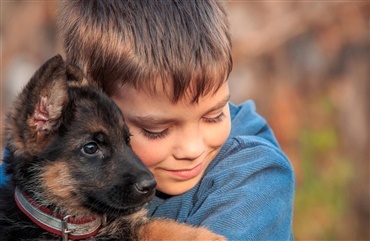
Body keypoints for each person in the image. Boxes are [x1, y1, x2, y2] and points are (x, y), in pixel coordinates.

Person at [1, 1, 295, 240]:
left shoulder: (256, 181)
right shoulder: (39, 161)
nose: (192, 149)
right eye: (157, 130)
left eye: (215, 114)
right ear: (94, 100)